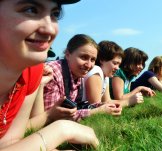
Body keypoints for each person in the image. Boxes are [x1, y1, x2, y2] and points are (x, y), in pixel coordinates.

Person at [0, 0, 99, 150]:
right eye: (31, 10)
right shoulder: (51, 71)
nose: (50, 30)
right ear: (67, 54)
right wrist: (62, 130)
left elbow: (9, 143)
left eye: (55, 14)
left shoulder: (31, 71)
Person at [43, 34, 122, 121]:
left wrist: (105, 106)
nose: (89, 65)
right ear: (68, 55)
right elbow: (51, 117)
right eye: (84, 57)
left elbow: (76, 107)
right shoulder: (53, 73)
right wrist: (97, 111)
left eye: (92, 60)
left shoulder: (78, 74)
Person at [82, 41, 144, 108]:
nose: (117, 68)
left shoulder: (105, 76)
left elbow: (108, 101)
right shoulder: (96, 72)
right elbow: (95, 107)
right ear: (102, 60)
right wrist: (128, 102)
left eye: (119, 64)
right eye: (115, 63)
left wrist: (131, 100)